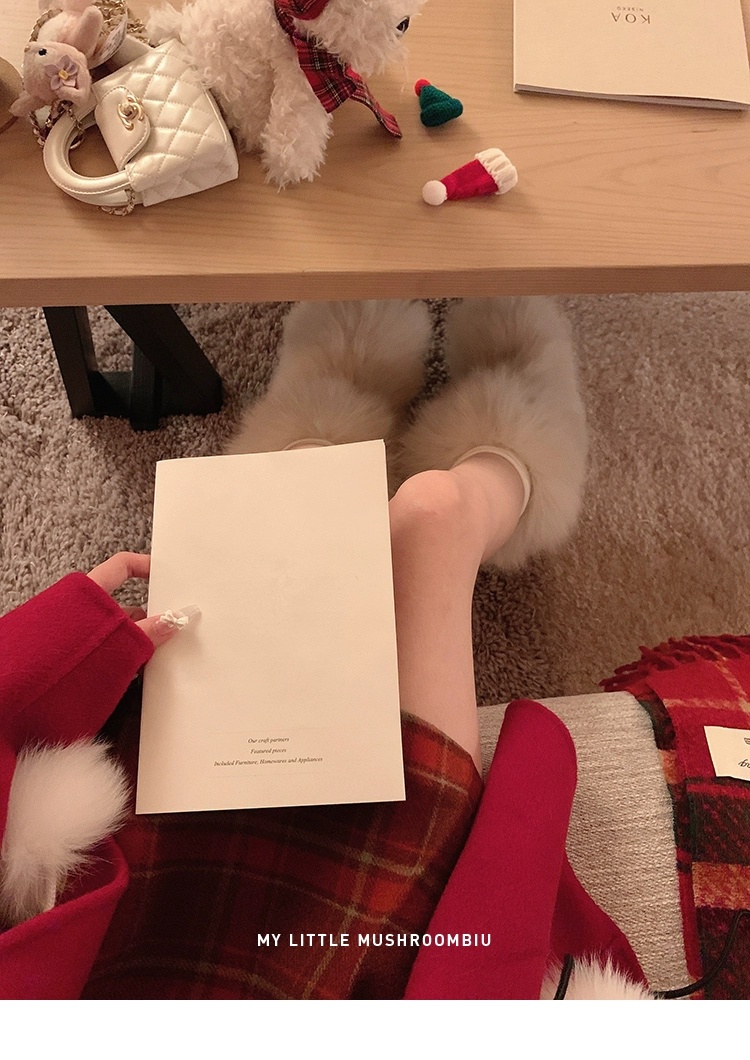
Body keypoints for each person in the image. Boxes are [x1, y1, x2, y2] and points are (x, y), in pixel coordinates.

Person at [0, 296, 604, 1000]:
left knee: (308, 503)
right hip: (345, 948)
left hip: (105, 878)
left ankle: (335, 402)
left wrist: (59, 646)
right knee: (433, 514)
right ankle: (515, 429)